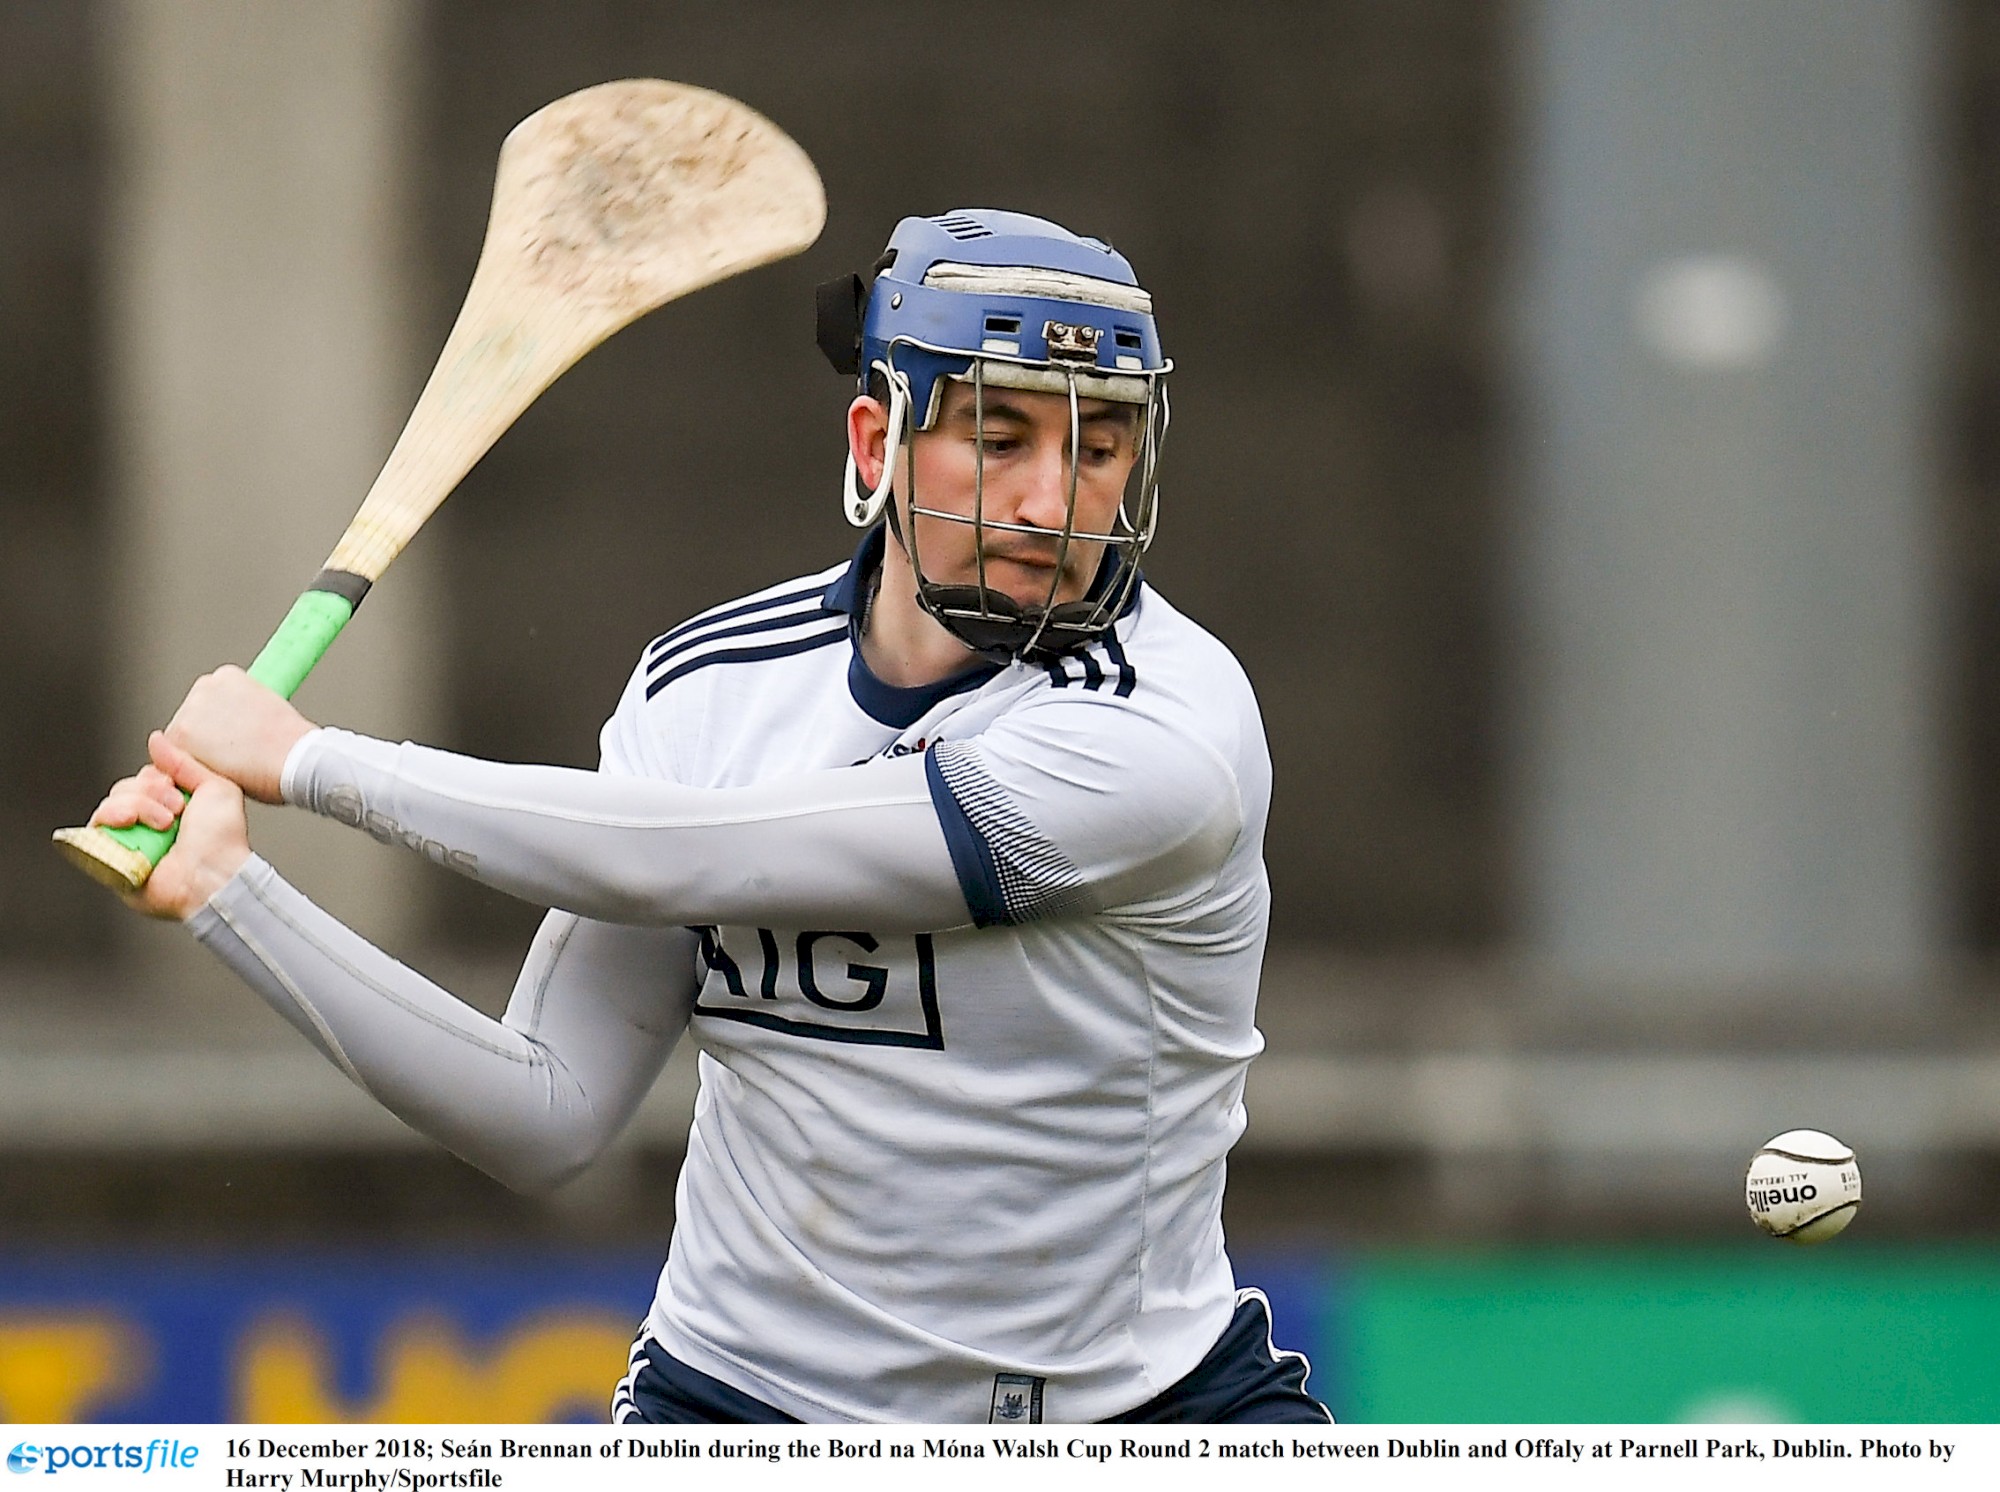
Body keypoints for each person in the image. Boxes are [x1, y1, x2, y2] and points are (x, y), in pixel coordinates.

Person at [92, 209, 1331, 1426]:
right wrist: (228, 895)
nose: (1049, 500)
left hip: (1129, 1410)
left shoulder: (1163, 728)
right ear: (873, 441)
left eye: (1097, 447)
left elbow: (709, 855)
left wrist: (316, 765)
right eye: (997, 436)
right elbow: (545, 1108)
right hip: (746, 1405)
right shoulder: (706, 689)